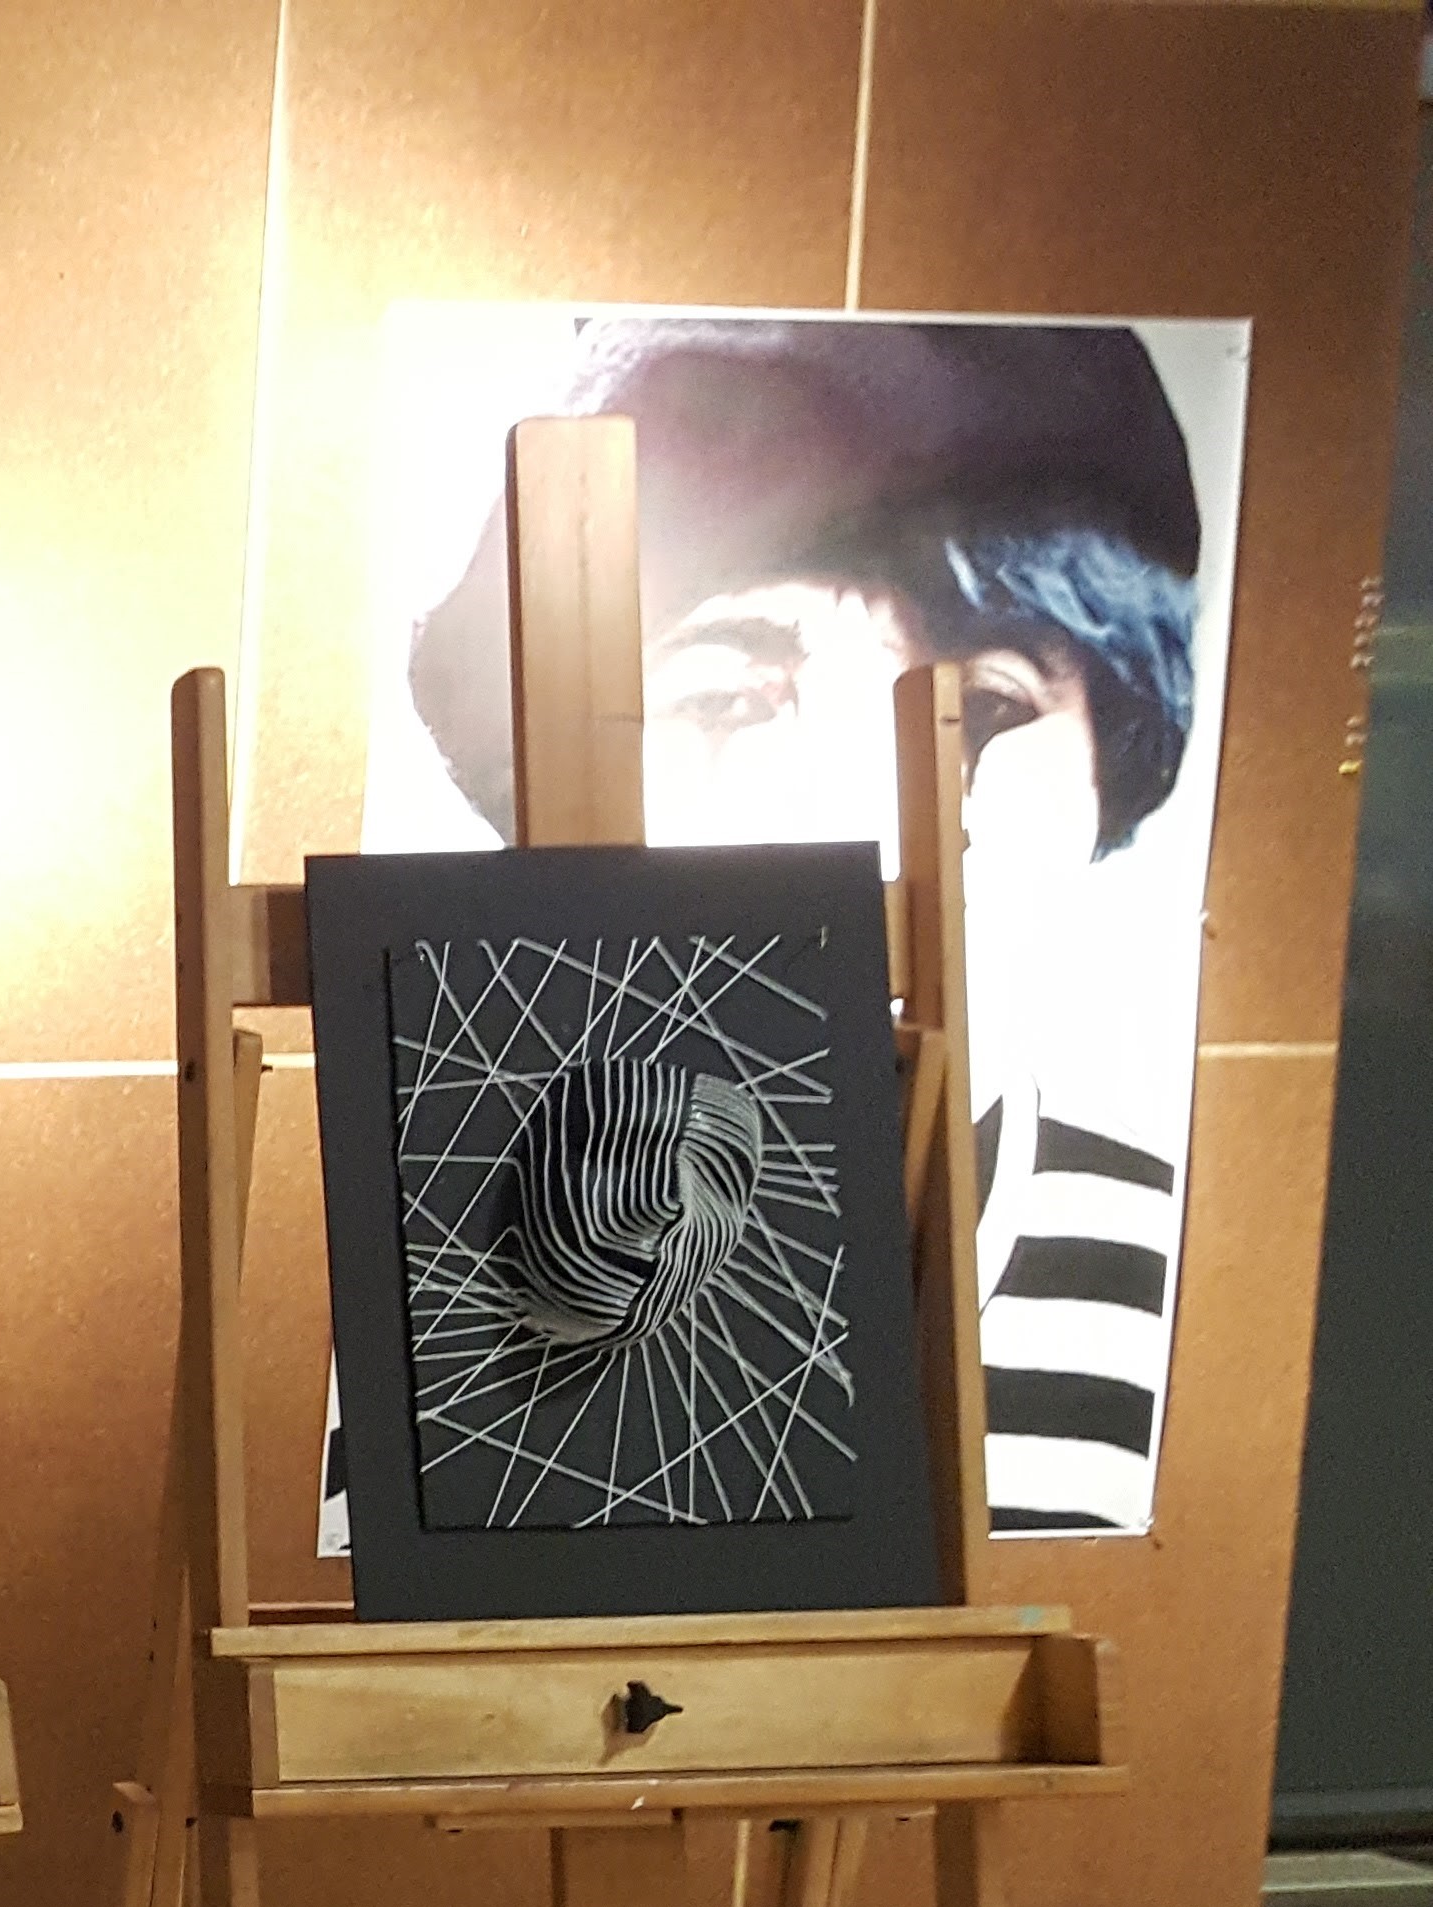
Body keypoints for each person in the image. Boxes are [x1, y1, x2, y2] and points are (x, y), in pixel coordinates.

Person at [390, 312, 1216, 1533]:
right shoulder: (435, 1252)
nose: (863, 820)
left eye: (983, 707)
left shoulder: (1156, 1268)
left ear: (1118, 755)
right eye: (721, 694)